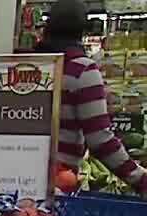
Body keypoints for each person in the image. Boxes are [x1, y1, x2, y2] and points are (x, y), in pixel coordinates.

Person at [40, 0, 147, 194]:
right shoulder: (82, 70)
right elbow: (100, 140)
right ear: (83, 30)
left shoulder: (23, 64)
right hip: (58, 183)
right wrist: (140, 178)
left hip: (16, 180)